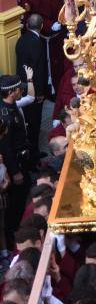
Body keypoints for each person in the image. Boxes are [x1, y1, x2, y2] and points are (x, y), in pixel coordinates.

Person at [0, 75, 32, 239]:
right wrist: (15, 171)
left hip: (22, 161)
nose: (22, 91)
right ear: (12, 92)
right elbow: (5, 147)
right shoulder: (4, 115)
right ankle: (14, 237)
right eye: (20, 89)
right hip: (15, 166)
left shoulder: (11, 107)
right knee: (15, 204)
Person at [15, 14, 48, 162]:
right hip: (33, 87)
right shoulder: (37, 42)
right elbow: (39, 69)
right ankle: (33, 152)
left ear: (27, 25)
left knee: (27, 119)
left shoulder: (21, 39)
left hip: (22, 86)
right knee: (35, 121)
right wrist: (40, 92)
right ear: (41, 26)